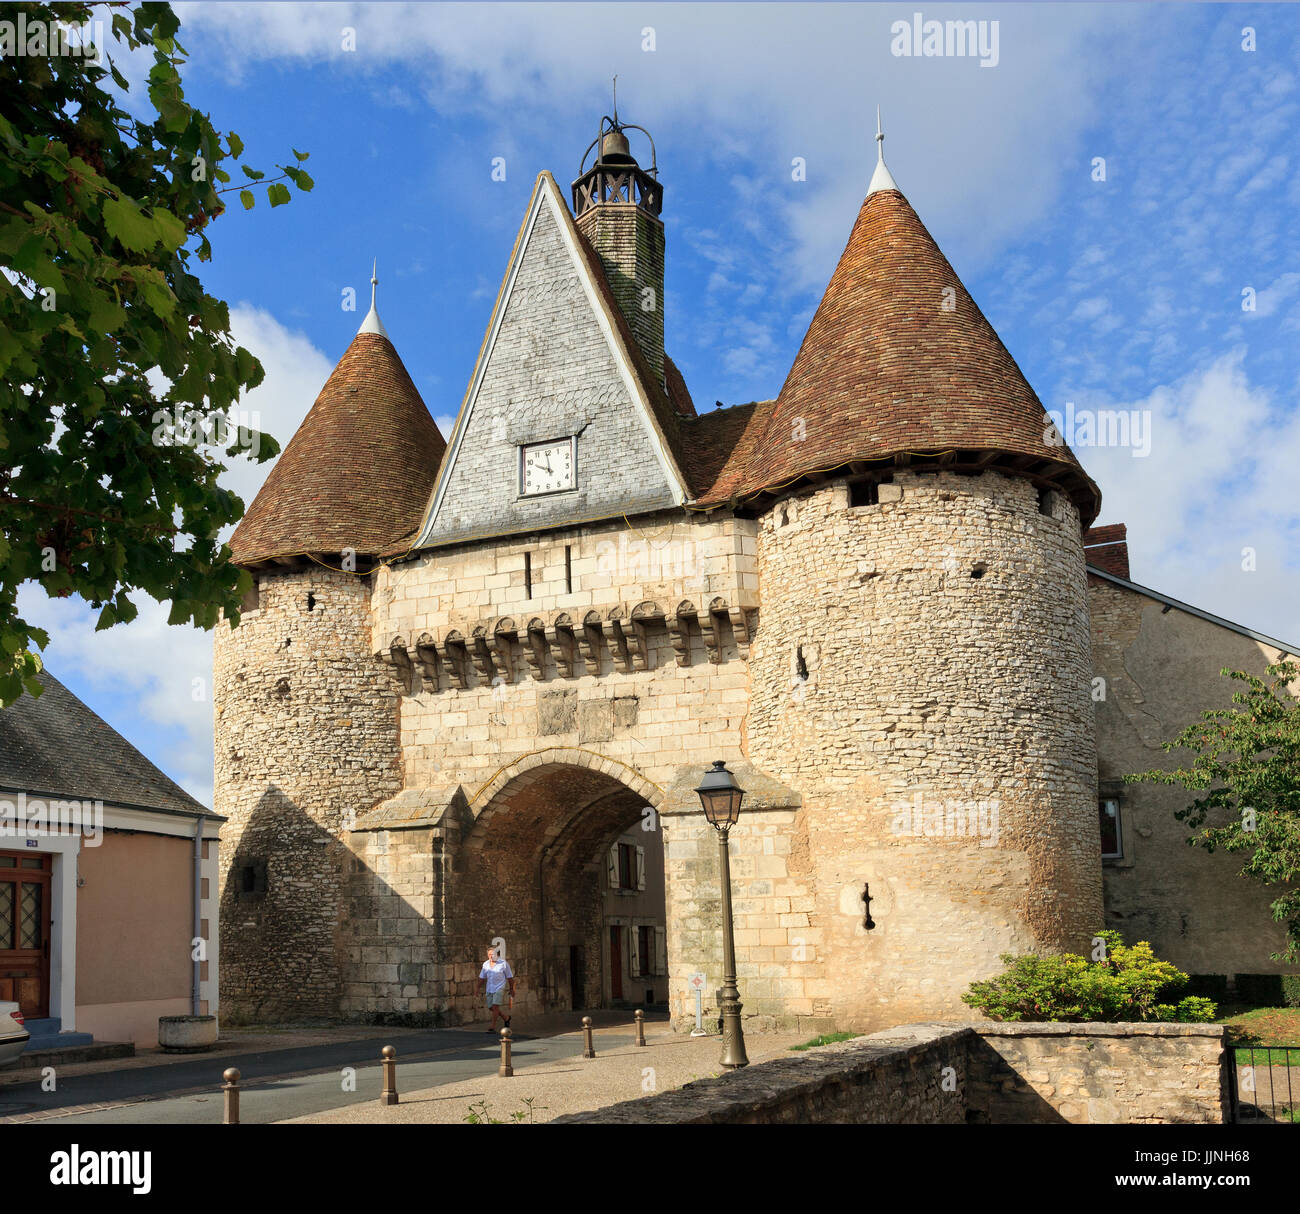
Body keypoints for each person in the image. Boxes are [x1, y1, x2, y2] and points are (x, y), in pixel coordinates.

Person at [478, 945, 515, 1033]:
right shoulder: (485, 964)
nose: (491, 956)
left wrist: (511, 989)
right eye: (489, 954)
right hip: (489, 988)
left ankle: (493, 1026)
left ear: (497, 954)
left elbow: (510, 978)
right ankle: (506, 1018)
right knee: (491, 1007)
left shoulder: (503, 963)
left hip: (499, 987)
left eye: (493, 954)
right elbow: (481, 977)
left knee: (495, 1006)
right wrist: (477, 988)